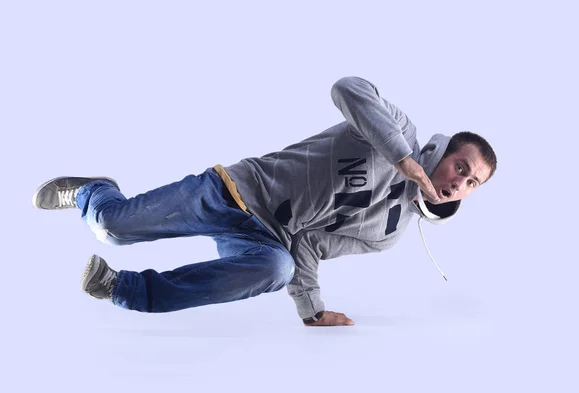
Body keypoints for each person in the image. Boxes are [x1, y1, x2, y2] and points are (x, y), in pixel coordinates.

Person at [33, 76, 497, 327]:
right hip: (233, 192)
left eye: (473, 183)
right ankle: (95, 191)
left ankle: (124, 290)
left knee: (279, 269)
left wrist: (311, 310)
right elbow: (347, 89)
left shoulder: (388, 234)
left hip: (264, 241)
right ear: (444, 151)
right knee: (112, 228)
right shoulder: (397, 131)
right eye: (461, 167)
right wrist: (402, 160)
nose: (461, 183)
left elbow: (310, 248)